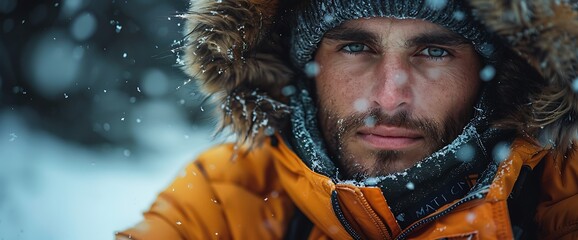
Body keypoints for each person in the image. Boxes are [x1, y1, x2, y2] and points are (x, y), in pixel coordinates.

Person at [117, 0, 578, 239]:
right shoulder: (227, 201)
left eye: (434, 51)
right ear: (306, 68)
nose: (389, 97)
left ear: (490, 74)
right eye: (356, 47)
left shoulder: (564, 194)